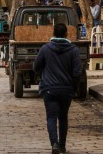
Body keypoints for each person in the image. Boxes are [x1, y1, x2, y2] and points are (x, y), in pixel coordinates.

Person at [33, 21, 82, 154]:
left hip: (49, 89)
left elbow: (36, 67)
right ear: (66, 34)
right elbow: (78, 72)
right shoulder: (73, 51)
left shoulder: (45, 49)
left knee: (51, 117)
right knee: (63, 117)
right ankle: (62, 145)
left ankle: (54, 143)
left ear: (53, 33)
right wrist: (75, 87)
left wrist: (44, 73)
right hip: (66, 89)